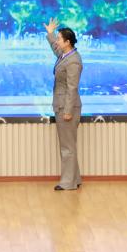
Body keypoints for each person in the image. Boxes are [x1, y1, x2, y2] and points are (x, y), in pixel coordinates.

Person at [44, 18, 83, 191]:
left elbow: (72, 88)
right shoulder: (65, 55)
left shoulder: (73, 61)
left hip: (67, 108)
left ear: (68, 42)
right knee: (68, 145)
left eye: (60, 39)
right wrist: (50, 33)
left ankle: (68, 183)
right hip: (62, 105)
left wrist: (68, 111)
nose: (58, 42)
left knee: (67, 147)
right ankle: (75, 178)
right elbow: (55, 48)